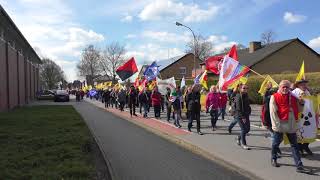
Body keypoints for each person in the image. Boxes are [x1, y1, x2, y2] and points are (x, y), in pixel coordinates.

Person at [269, 80, 311, 173]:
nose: (285, 89)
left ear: (289, 88)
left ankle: (299, 165)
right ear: (279, 87)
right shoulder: (274, 97)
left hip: (291, 124)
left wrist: (301, 103)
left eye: (287, 87)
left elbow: (300, 109)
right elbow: (273, 112)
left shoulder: (293, 96)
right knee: (276, 144)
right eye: (283, 87)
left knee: (294, 145)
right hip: (280, 124)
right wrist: (276, 125)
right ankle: (273, 158)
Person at [291, 79, 313, 156]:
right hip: (299, 115)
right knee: (299, 132)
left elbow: (311, 102)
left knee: (309, 131)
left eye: (305, 84)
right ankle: (300, 148)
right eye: (302, 84)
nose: (304, 86)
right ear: (298, 85)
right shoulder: (294, 93)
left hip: (308, 115)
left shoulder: (307, 92)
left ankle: (305, 146)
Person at [234, 84, 251, 150]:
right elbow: (238, 108)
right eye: (244, 88)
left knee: (247, 129)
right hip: (240, 115)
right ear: (240, 89)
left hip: (246, 114)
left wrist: (249, 111)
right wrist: (243, 117)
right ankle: (244, 144)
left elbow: (248, 105)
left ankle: (238, 137)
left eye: (246, 88)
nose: (245, 89)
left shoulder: (246, 95)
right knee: (243, 129)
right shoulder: (238, 96)